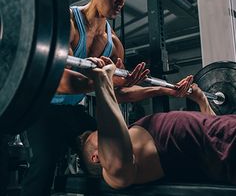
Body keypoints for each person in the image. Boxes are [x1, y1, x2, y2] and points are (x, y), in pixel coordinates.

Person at [20, 0, 193, 196]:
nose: (121, 1)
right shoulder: (68, 21)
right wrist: (105, 80)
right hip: (42, 107)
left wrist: (161, 91)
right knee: (45, 164)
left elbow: (118, 95)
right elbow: (62, 82)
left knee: (114, 153)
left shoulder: (113, 43)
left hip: (73, 112)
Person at [77, 58, 236, 189]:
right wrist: (103, 83)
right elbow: (117, 162)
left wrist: (201, 100)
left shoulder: (132, 134)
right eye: (99, 134)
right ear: (96, 157)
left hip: (227, 132)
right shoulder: (114, 174)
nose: (102, 130)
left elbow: (213, 131)